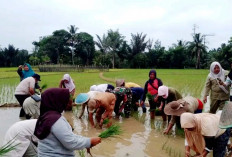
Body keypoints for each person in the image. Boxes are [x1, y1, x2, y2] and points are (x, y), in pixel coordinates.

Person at [34, 88, 101, 157]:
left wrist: (86, 140)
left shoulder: (46, 116)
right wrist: (89, 142)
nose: (69, 101)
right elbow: (70, 142)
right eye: (65, 99)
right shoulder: (55, 120)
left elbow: (69, 136)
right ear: (57, 101)